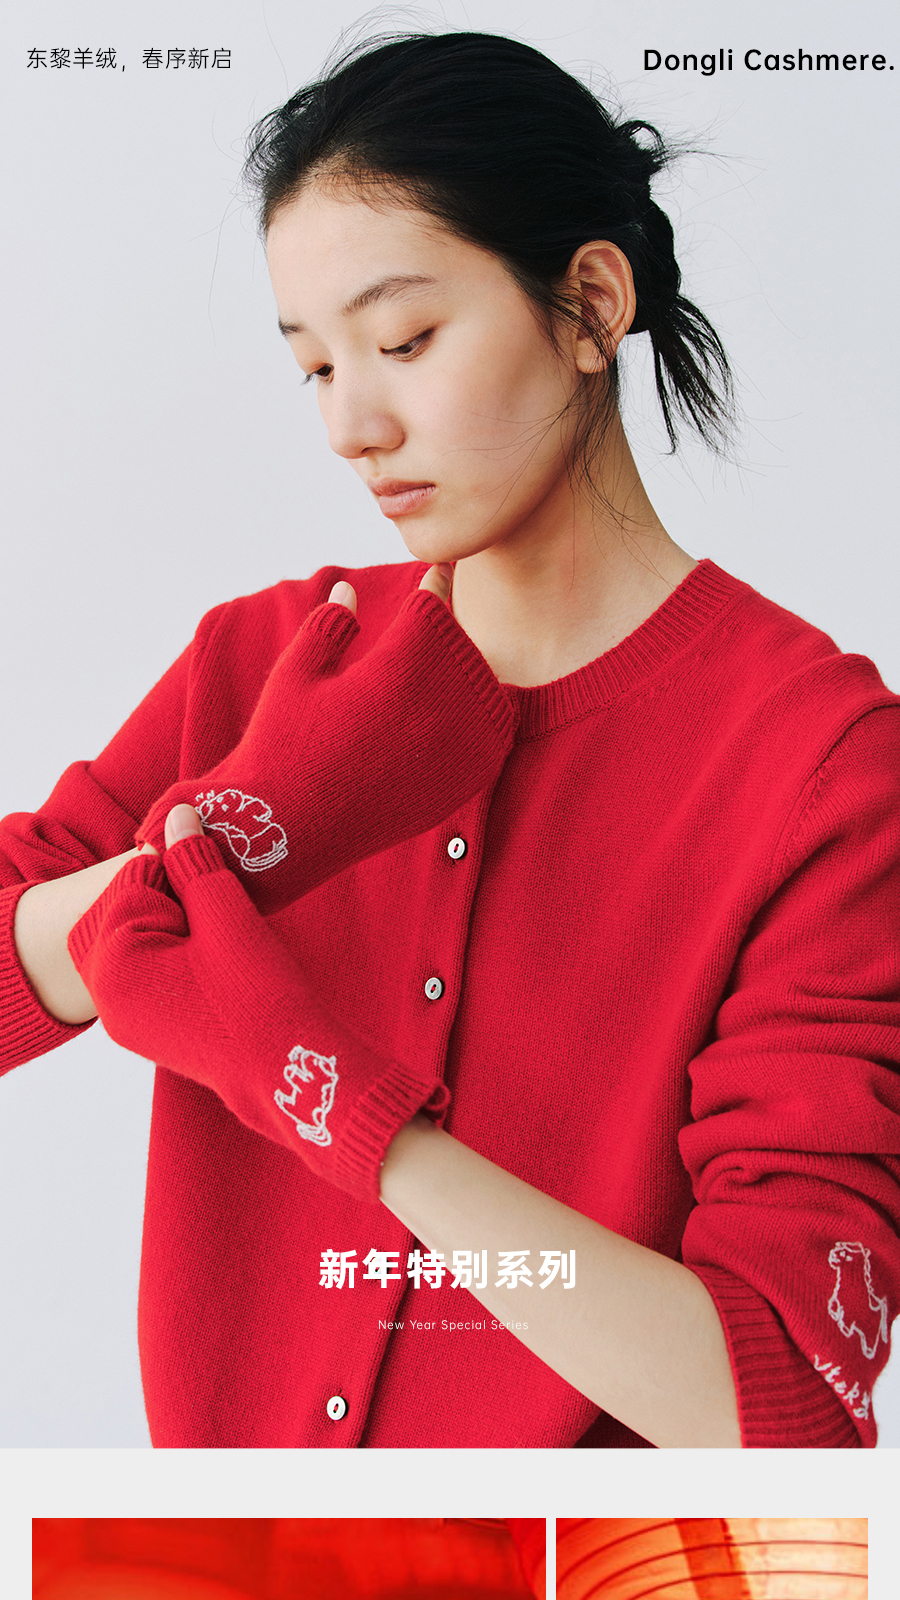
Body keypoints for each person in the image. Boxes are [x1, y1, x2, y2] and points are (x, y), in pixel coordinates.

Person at [3, 30, 899, 1450]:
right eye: (314, 366)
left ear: (591, 304)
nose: (352, 424)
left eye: (405, 342)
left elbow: (781, 1402)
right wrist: (228, 841)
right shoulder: (263, 665)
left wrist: (346, 1113)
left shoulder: (819, 765)